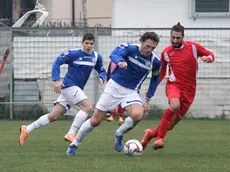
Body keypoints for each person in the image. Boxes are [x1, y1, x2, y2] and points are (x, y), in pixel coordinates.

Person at [66, 31, 162, 156]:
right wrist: (120, 61)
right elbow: (114, 54)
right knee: (95, 120)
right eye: (147, 46)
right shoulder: (129, 48)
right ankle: (74, 144)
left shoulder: (155, 61)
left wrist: (148, 99)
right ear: (141, 42)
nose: (149, 50)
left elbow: (155, 80)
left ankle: (119, 133)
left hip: (131, 91)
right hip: (114, 87)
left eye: (152, 48)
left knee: (138, 115)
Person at [19, 33, 106, 146]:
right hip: (69, 86)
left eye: (91, 43)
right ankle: (71, 133)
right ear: (82, 43)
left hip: (75, 89)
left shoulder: (96, 57)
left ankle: (27, 129)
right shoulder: (73, 53)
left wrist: (102, 77)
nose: (88, 46)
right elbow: (57, 62)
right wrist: (56, 81)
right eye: (86, 43)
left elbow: (102, 70)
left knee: (54, 116)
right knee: (88, 107)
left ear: (93, 44)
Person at [141, 22, 215, 151]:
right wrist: (153, 87)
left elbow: (210, 55)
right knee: (174, 105)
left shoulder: (193, 47)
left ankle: (149, 135)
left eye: (178, 38)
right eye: (173, 37)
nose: (174, 40)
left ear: (183, 37)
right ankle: (159, 139)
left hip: (190, 89)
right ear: (170, 36)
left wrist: (207, 58)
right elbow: (162, 73)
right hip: (174, 85)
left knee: (170, 125)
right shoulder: (166, 52)